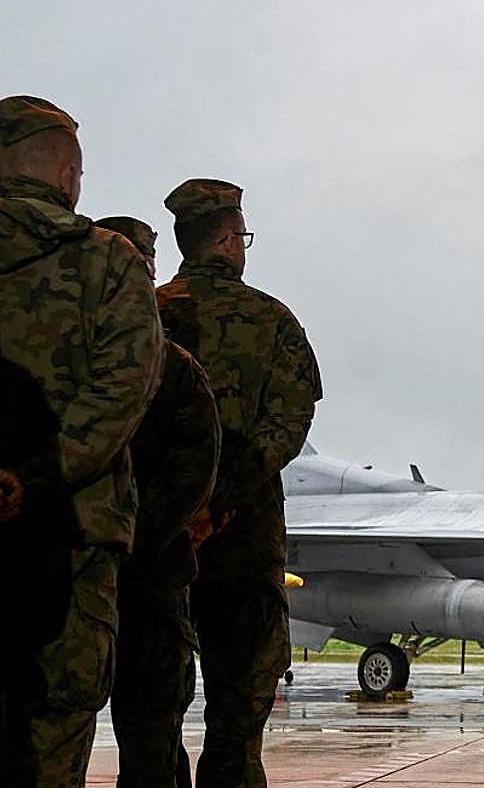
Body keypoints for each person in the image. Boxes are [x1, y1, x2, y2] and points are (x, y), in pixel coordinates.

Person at [0, 96, 164, 788]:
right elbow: (123, 393)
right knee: (55, 724)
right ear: (67, 174)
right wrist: (36, 477)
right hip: (71, 535)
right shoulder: (107, 262)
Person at [156, 179, 322, 788]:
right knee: (238, 713)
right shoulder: (273, 322)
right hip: (242, 541)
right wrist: (224, 498)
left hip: (156, 540)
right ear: (229, 240)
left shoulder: (145, 311)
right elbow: (288, 425)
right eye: (242, 236)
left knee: (152, 712)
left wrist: (180, 503)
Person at [99, 216, 220, 788]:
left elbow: (196, 462)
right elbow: (195, 464)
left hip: (121, 570)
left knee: (152, 738)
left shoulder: (172, 366)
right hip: (140, 570)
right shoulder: (170, 366)